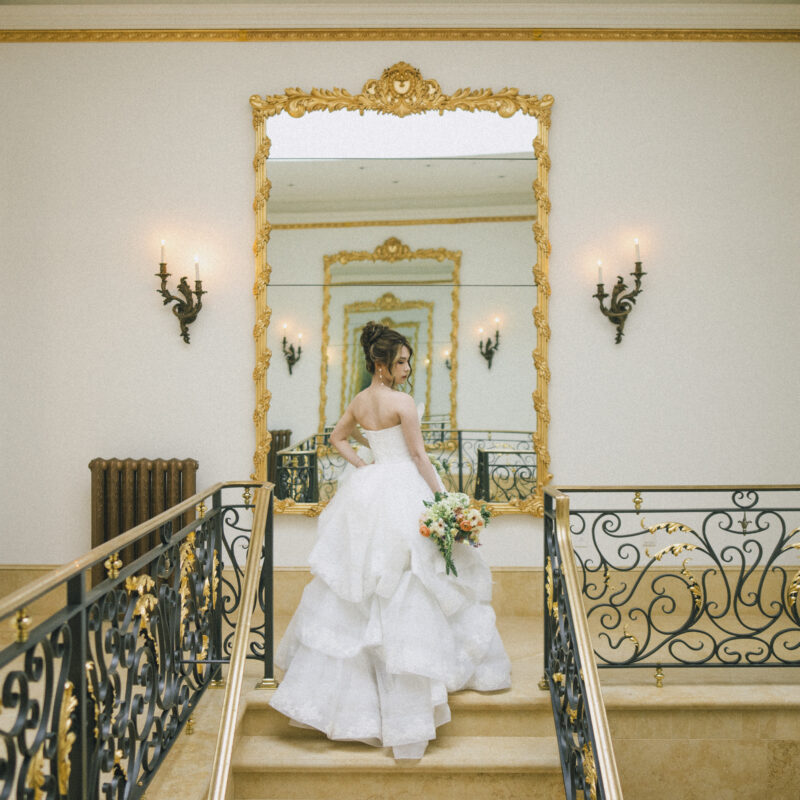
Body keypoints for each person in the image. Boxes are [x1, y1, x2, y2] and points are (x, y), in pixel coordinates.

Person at [269, 321, 511, 760]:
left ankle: (360, 701)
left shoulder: (361, 401)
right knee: (410, 578)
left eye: (407, 360)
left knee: (363, 582)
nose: (406, 367)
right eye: (400, 361)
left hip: (371, 487)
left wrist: (364, 466)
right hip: (403, 486)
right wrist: (443, 498)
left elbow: (335, 438)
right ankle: (408, 692)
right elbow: (418, 455)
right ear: (380, 363)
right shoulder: (402, 402)